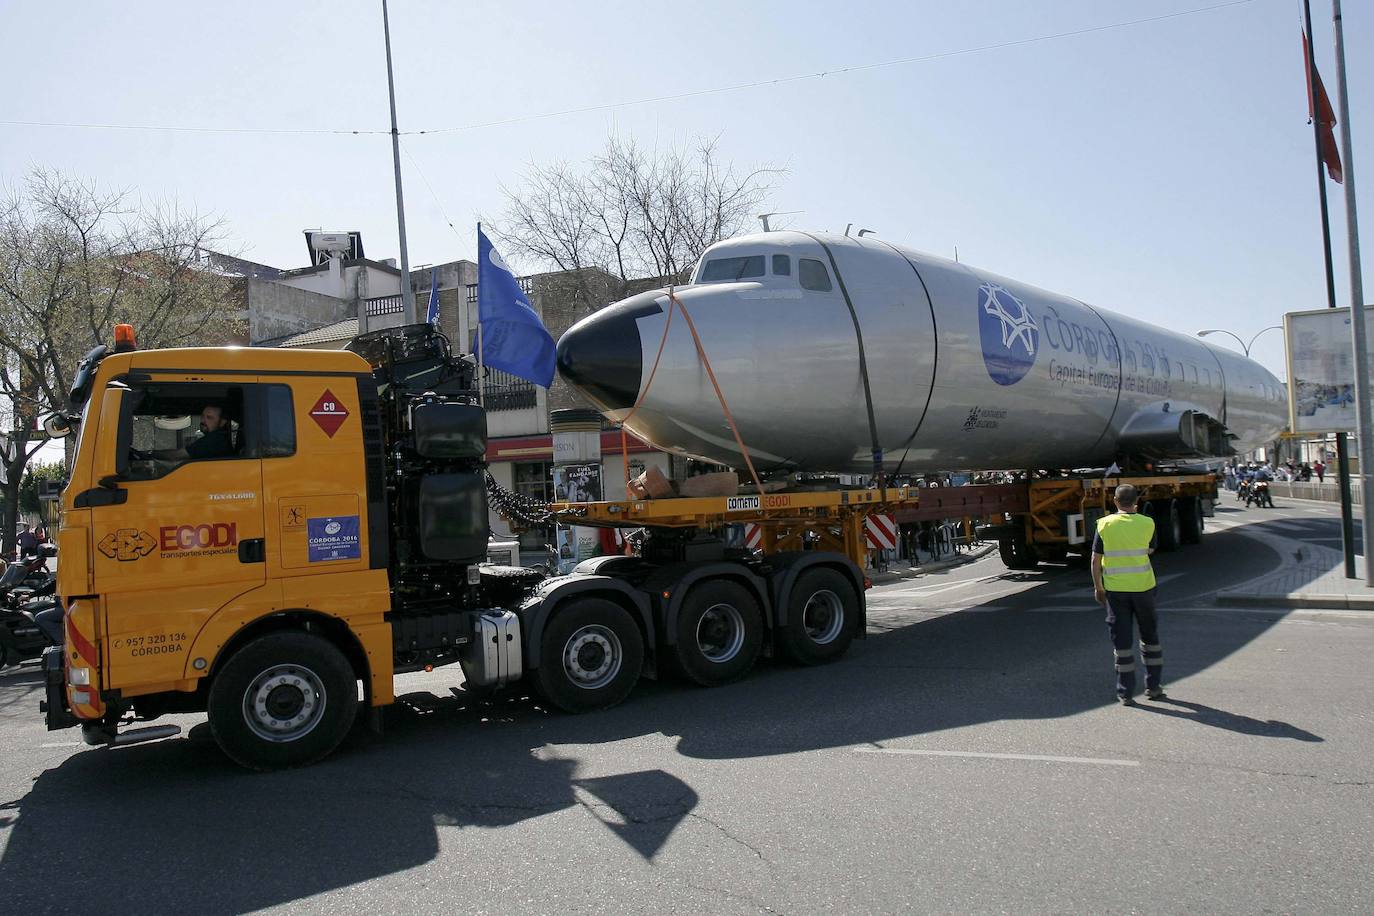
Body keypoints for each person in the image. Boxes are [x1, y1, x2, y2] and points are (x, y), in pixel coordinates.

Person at [1092, 484, 1166, 706]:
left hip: (1116, 592)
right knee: (1150, 639)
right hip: (1144, 589)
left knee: (1122, 643)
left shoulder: (1104, 525)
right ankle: (1153, 687)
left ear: (1115, 501)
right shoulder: (1148, 523)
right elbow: (1150, 549)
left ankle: (1125, 693)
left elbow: (1095, 560)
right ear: (1137, 502)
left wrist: (1098, 587)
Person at [149, 405, 235, 462]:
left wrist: (150, 453)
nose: (202, 421)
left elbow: (174, 456)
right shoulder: (218, 439)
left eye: (209, 417)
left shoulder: (214, 440)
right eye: (202, 416)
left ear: (222, 422)